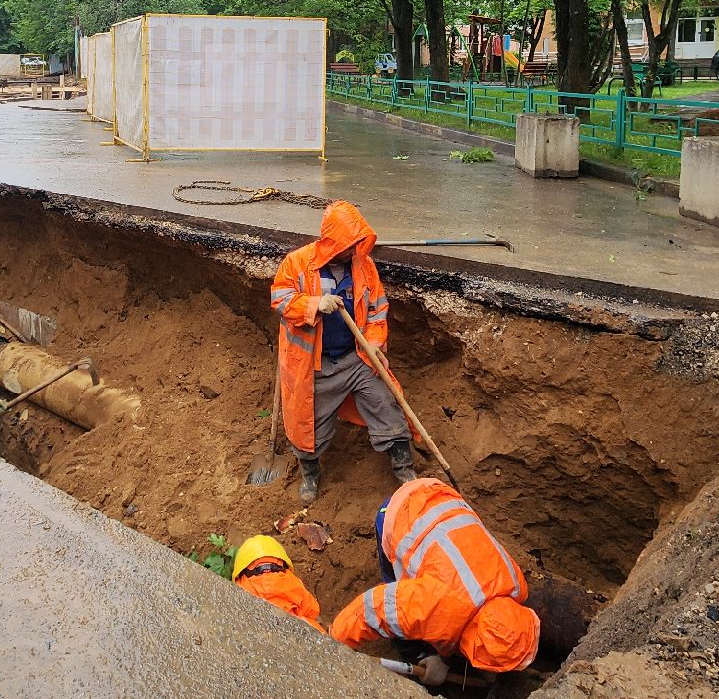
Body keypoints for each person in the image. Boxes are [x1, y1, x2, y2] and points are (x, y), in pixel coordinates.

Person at [271, 200, 415, 504]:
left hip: (356, 359)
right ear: (332, 243)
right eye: (350, 244)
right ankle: (310, 473)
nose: (355, 250)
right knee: (309, 426)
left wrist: (374, 346)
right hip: (316, 366)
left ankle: (404, 469)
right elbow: (281, 301)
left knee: (385, 403)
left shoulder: (364, 266)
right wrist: (313, 305)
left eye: (357, 243)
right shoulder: (297, 263)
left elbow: (377, 311)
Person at [330, 477, 540, 679]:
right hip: (401, 512)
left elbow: (460, 621)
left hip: (442, 495)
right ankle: (413, 651)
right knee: (395, 592)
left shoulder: (516, 585)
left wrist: (444, 659)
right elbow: (370, 609)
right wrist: (328, 646)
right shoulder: (435, 606)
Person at [231, 534, 323, 629]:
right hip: (293, 630)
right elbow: (312, 609)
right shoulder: (292, 581)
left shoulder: (241, 585)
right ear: (283, 563)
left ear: (241, 570)